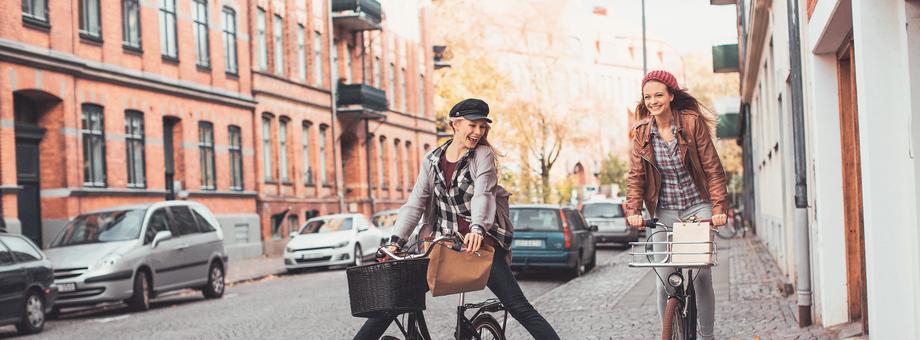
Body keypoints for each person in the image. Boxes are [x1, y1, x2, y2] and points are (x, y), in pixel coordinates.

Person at [354, 98, 560, 340]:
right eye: (472, 125)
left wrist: (477, 229)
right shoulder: (432, 161)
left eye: (482, 126)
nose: (477, 132)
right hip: (442, 246)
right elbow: (415, 203)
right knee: (394, 300)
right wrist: (396, 241)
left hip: (478, 245)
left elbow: (483, 193)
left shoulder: (482, 156)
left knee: (519, 307)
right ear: (455, 123)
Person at [624, 70, 728, 340]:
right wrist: (633, 211)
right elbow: (635, 177)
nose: (653, 101)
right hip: (664, 212)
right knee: (663, 279)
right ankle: (668, 333)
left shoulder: (691, 124)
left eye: (659, 94)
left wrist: (718, 209)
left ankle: (707, 336)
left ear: (671, 96)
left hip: (697, 207)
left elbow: (713, 169)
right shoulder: (641, 134)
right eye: (648, 96)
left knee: (701, 275)